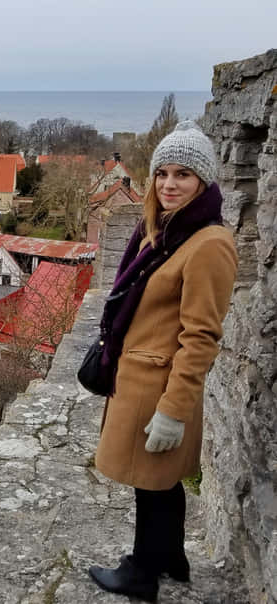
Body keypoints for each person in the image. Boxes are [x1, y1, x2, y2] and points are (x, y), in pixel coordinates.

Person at [87, 121, 238, 602]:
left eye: (183, 175)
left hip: (160, 386)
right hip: (139, 378)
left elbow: (201, 337)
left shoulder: (209, 243)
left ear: (204, 182)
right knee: (160, 481)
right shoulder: (168, 232)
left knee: (149, 484)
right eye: (162, 174)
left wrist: (173, 411)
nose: (169, 184)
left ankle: (141, 574)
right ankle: (171, 556)